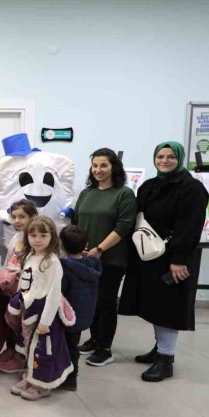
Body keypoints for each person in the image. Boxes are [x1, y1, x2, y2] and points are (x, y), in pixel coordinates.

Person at [119, 142, 208, 382]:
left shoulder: (191, 188)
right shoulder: (150, 186)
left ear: (179, 159)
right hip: (150, 255)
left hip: (174, 258)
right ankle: (160, 349)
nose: (164, 161)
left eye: (170, 157)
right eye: (160, 156)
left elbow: (190, 226)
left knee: (169, 307)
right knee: (154, 304)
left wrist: (179, 259)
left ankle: (166, 359)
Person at [72, 148, 137, 367]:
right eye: (95, 165)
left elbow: (124, 226)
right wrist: (79, 248)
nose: (98, 170)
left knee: (106, 302)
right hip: (85, 257)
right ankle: (94, 339)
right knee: (91, 300)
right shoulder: (86, 193)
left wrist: (99, 249)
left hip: (111, 258)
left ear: (114, 167)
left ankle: (105, 349)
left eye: (103, 165)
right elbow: (76, 222)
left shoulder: (124, 194)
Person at [8, 216, 74, 401]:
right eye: (33, 235)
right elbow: (25, 283)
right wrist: (17, 303)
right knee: (29, 347)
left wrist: (45, 322)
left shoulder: (52, 262)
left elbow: (54, 295)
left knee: (43, 350)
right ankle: (29, 378)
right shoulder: (29, 256)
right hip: (29, 311)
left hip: (44, 315)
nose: (37, 240)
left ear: (52, 237)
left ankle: (41, 384)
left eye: (43, 235)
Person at [0, 199, 38, 374]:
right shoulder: (16, 237)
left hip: (25, 290)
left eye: (22, 216)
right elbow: (8, 261)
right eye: (14, 217)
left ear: (33, 217)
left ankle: (21, 357)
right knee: (10, 321)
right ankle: (11, 350)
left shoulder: (36, 240)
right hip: (11, 287)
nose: (17, 220)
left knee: (22, 324)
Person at [58, 225, 101, 391]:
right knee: (73, 344)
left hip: (67, 316)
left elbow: (60, 293)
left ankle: (70, 379)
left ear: (61, 245)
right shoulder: (92, 263)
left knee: (67, 348)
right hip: (85, 314)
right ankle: (68, 376)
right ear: (86, 245)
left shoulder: (63, 267)